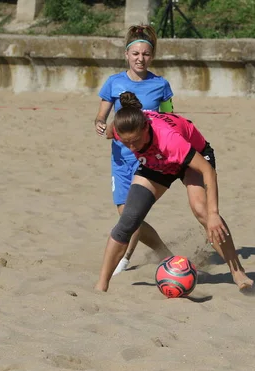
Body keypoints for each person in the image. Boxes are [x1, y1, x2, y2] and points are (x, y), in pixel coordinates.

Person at [94, 91, 254, 293]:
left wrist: (213, 214)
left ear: (146, 128)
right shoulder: (121, 130)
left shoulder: (169, 139)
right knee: (128, 220)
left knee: (202, 211)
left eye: (135, 141)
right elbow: (111, 132)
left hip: (191, 160)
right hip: (156, 162)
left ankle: (238, 272)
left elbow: (208, 171)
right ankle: (101, 285)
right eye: (127, 143)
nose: (132, 146)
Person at [94, 25, 173, 275]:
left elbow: (171, 120)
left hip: (147, 161)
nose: (141, 58)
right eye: (136, 53)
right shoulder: (113, 82)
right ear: (127, 55)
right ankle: (162, 252)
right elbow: (101, 115)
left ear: (152, 56)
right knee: (126, 214)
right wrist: (100, 124)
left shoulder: (161, 85)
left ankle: (125, 258)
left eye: (146, 54)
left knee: (131, 215)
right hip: (120, 160)